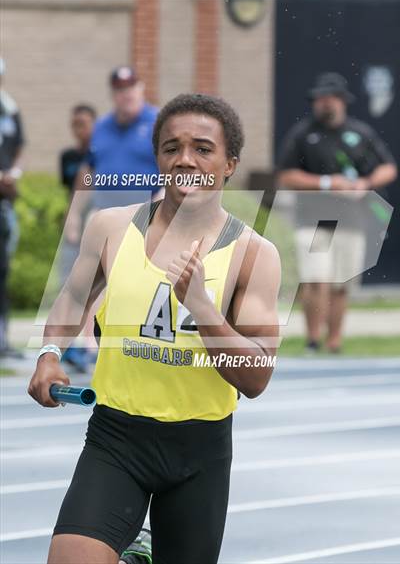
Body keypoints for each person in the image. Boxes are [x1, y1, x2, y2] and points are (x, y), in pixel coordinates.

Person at [28, 93, 280, 564]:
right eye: (171, 147)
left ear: (229, 164)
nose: (185, 159)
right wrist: (49, 354)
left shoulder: (254, 254)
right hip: (116, 437)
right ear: (158, 158)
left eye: (202, 148)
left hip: (198, 451)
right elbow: (72, 299)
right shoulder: (109, 227)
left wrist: (204, 309)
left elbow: (256, 377)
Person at [277, 72, 397, 353]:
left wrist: (364, 184)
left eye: (328, 98)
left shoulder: (361, 133)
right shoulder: (304, 134)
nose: (323, 104)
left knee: (341, 284)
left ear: (342, 101)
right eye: (319, 99)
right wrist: (327, 183)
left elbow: (389, 168)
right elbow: (286, 176)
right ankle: (312, 338)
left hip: (352, 221)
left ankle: (335, 341)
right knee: (316, 278)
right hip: (317, 222)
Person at [65, 66, 161, 246]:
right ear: (112, 94)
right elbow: (88, 170)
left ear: (141, 88)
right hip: (106, 216)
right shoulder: (101, 126)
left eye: (131, 87)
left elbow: (175, 170)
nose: (126, 94)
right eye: (120, 89)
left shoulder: (159, 122)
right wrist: (74, 213)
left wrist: (159, 210)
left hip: (149, 217)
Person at [59, 104, 97, 372]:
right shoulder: (68, 156)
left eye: (84, 123)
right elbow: (72, 193)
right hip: (74, 229)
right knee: (70, 287)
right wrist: (70, 222)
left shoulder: (101, 155)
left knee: (93, 290)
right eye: (75, 124)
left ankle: (88, 346)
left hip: (95, 226)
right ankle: (69, 346)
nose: (79, 129)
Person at [0, 57, 25, 358]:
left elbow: (19, 150)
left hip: (4, 203)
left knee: (3, 272)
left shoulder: (10, 109)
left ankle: (2, 341)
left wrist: (13, 174)